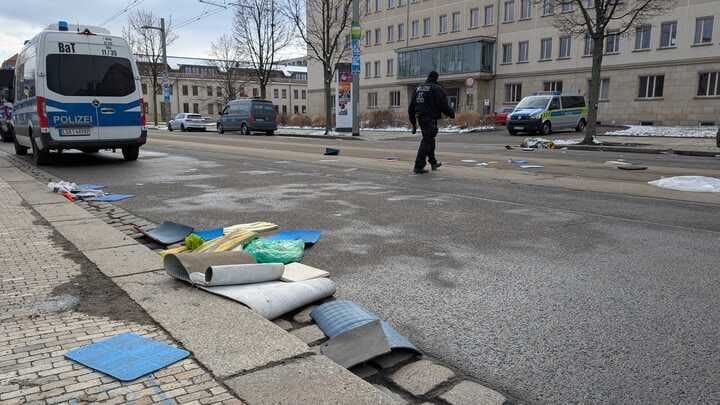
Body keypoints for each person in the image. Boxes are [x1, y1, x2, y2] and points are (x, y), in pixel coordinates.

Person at [408, 71, 455, 174]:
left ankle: (433, 162)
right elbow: (443, 104)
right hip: (430, 118)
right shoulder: (436, 89)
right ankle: (418, 166)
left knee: (430, 140)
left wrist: (413, 123)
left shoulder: (418, 88)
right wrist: (451, 113)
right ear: (436, 78)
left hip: (420, 117)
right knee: (427, 140)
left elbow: (411, 107)